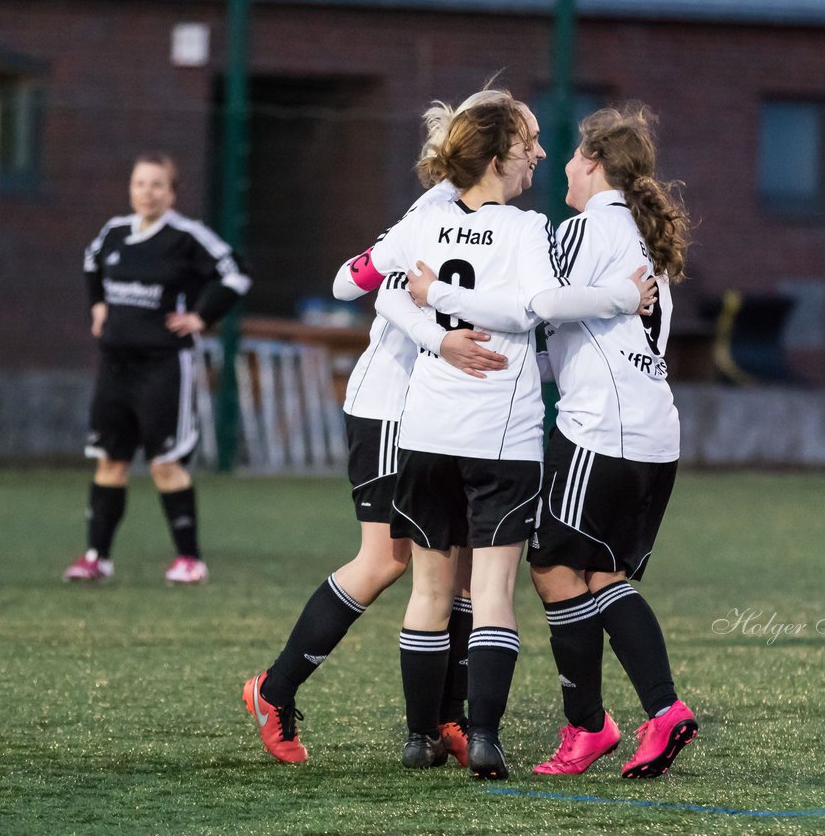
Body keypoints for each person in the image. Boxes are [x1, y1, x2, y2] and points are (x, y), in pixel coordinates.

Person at [240, 88, 532, 767]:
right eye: (527, 138)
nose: (537, 151)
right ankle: (274, 689)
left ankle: (447, 721)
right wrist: (436, 335)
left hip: (452, 415)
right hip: (393, 406)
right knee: (387, 561)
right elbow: (362, 283)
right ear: (487, 147)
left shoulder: (502, 221)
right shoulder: (435, 210)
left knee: (459, 572)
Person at [376, 97, 657, 779]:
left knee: (429, 591)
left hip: (426, 427)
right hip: (499, 436)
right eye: (527, 144)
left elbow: (380, 287)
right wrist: (623, 297)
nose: (537, 154)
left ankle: (420, 738)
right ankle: (483, 739)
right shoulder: (527, 227)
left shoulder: (427, 217)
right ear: (499, 157)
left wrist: (437, 333)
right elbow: (533, 307)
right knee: (495, 593)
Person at [525, 105, 698, 778]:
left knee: (549, 564)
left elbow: (538, 303)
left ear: (593, 164)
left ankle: (589, 726)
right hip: (656, 434)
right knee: (602, 574)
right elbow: (580, 341)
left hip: (600, 430)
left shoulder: (585, 229)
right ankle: (661, 712)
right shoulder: (646, 244)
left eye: (571, 154)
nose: (565, 165)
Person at [61, 153, 250, 585]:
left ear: (172, 191)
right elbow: (91, 264)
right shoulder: (113, 232)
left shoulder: (187, 236)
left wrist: (202, 316)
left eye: (157, 185)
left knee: (165, 462)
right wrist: (98, 307)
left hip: (164, 364)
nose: (147, 192)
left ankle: (189, 559)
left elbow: (236, 273)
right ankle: (96, 556)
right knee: (110, 460)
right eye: (140, 183)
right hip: (115, 364)